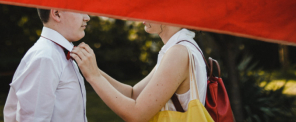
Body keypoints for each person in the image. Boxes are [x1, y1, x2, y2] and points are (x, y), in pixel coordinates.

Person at [70, 22, 207, 122]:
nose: (140, 14)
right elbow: (133, 94)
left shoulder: (178, 53)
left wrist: (94, 76)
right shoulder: (180, 48)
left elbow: (136, 115)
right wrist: (92, 69)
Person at [3, 8, 90, 122]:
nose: (87, 17)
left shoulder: (60, 53)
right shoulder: (46, 57)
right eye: (79, 10)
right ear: (57, 14)